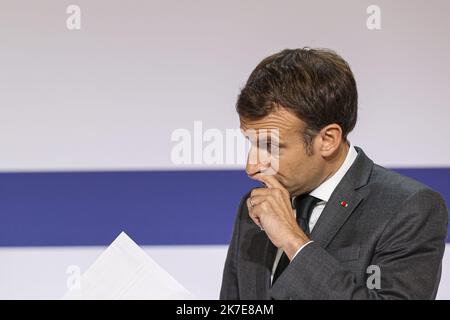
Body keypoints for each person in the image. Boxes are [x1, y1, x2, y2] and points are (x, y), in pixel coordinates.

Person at [219, 48, 448, 300]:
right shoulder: (255, 207)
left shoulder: (409, 209)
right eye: (250, 142)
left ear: (327, 140)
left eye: (270, 146)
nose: (251, 167)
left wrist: (294, 242)